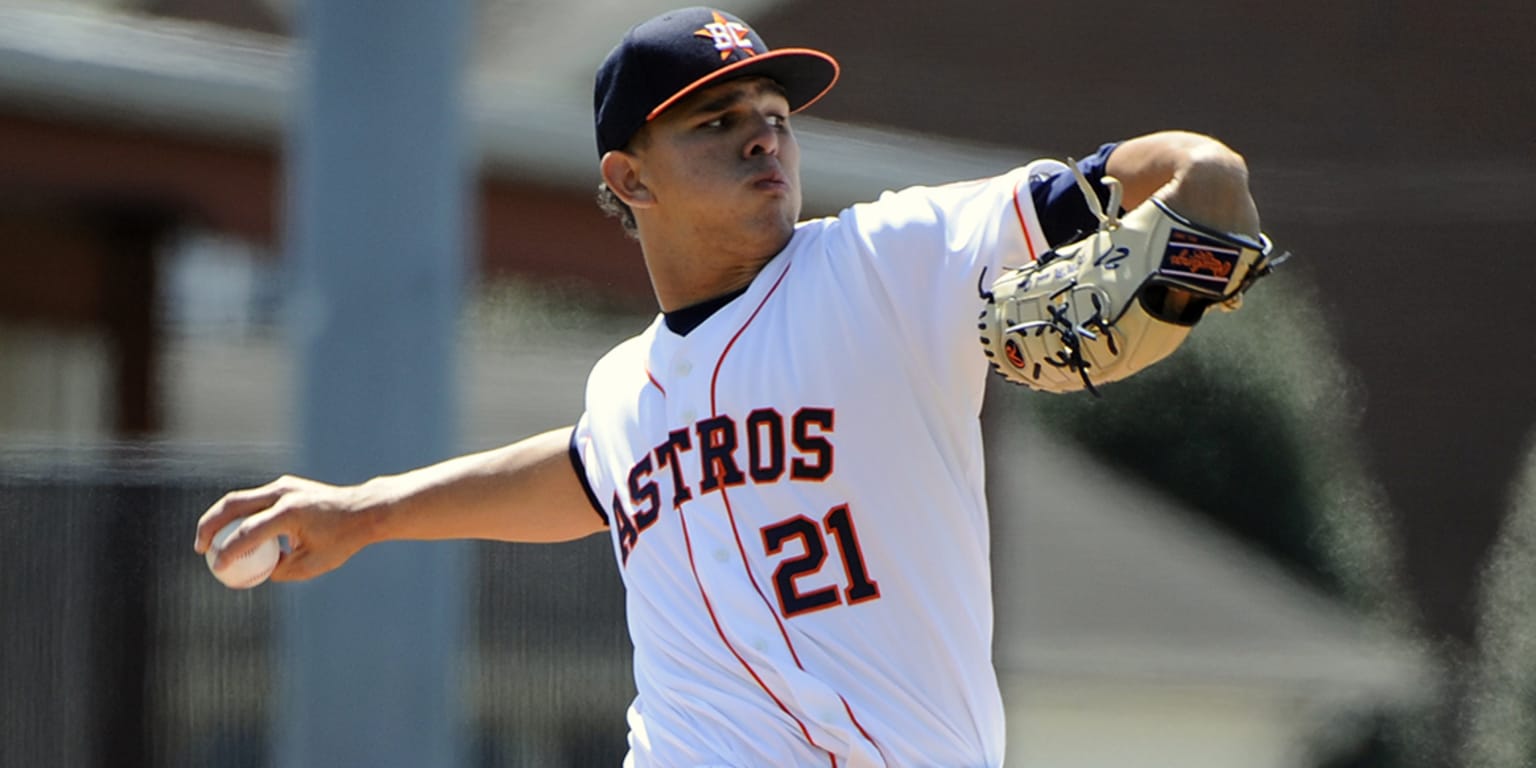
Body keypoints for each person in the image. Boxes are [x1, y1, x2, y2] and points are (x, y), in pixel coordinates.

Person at [196, 7, 1263, 766]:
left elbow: (1195, 174)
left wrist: (1186, 254)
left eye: (774, 112)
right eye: (715, 120)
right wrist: (362, 513)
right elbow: (580, 471)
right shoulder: (627, 387)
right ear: (629, 178)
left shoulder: (890, 262)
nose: (763, 131)